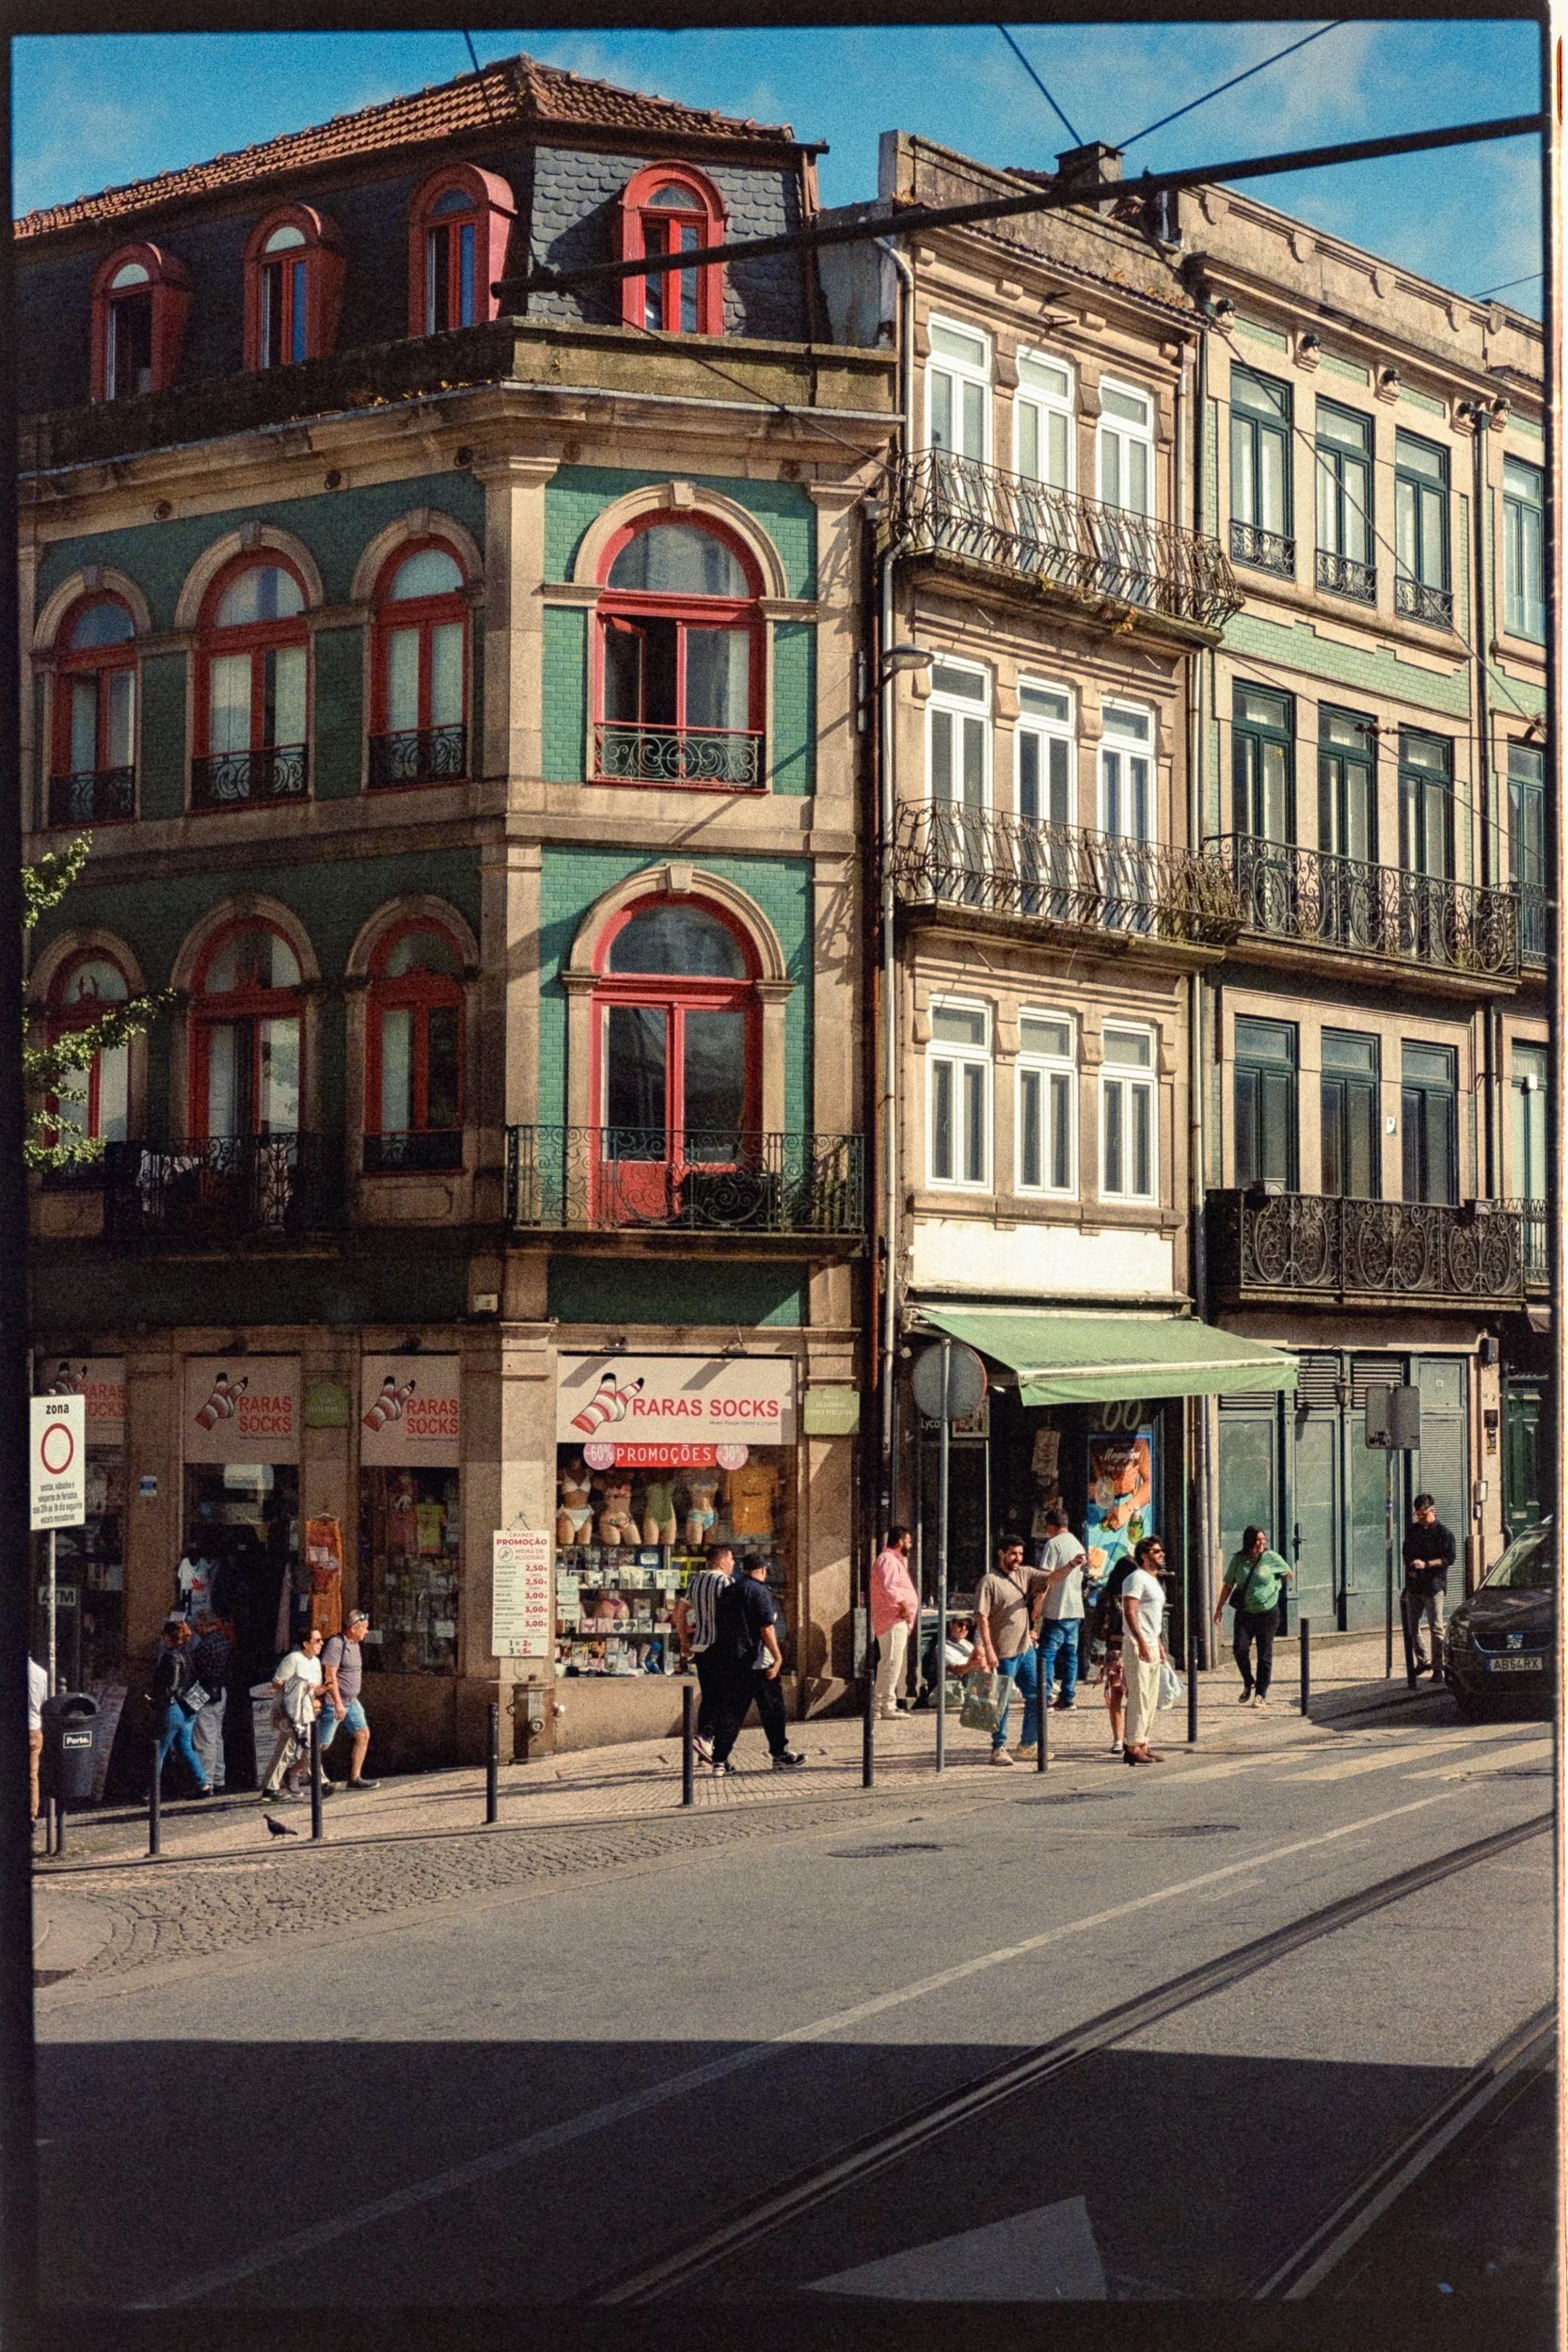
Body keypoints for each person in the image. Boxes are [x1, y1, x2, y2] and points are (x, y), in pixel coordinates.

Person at [707, 1554, 805, 1775]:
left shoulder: (729, 1590)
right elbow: (766, 1629)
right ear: (762, 1570)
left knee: (732, 1712)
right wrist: (778, 1657)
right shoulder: (760, 1592)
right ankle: (780, 1755)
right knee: (773, 1710)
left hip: (733, 1660)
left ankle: (719, 1760)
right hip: (759, 1662)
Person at [971, 1537, 1051, 1766]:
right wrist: (988, 1650)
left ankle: (1027, 1744)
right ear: (1001, 1553)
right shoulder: (989, 1581)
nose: (1017, 1559)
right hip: (1002, 1652)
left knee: (1040, 1694)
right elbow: (981, 1618)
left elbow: (1051, 1578)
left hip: (1025, 1649)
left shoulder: (1024, 1574)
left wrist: (1072, 1566)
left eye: (1020, 1554)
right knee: (1000, 1700)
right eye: (1013, 1554)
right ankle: (998, 1748)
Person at [1215, 1525, 1293, 1708]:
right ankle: (1249, 1680)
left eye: (1263, 1540)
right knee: (1240, 1649)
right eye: (1258, 1540)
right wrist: (1219, 1608)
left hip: (1268, 1613)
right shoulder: (1238, 1560)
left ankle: (1261, 1693)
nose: (1261, 1544)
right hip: (1245, 1613)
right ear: (1249, 1541)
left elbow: (1287, 1574)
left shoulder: (1271, 1558)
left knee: (1264, 1653)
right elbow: (1228, 1585)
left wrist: (1274, 1588)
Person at [673, 1542, 736, 1764]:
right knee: (723, 1697)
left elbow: (679, 1613)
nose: (733, 1563)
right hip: (722, 1647)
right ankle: (706, 1737)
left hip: (701, 1647)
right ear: (721, 1561)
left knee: (709, 1693)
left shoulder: (696, 1581)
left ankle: (704, 1745)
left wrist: (684, 1641)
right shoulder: (726, 1582)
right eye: (730, 1559)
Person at [150, 1616, 214, 1800]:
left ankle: (151, 1792)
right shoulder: (187, 1653)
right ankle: (203, 1784)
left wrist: (159, 1700)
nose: (162, 1639)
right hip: (189, 1706)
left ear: (169, 1638)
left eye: (163, 1636)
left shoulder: (171, 1657)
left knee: (159, 1749)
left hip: (174, 1707)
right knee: (185, 1746)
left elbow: (172, 1685)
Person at [260, 1625, 325, 1801]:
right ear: (305, 1643)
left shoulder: (316, 1662)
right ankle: (321, 1783)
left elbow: (316, 1690)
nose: (321, 1643)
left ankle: (270, 1788)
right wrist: (298, 1686)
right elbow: (277, 1683)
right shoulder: (293, 1659)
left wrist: (321, 1689)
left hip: (307, 1711)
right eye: (317, 1640)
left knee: (299, 1747)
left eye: (321, 1640)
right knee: (297, 1747)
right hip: (290, 1711)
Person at [1034, 1507, 1090, 1711]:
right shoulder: (1078, 1544)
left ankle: (1046, 1696)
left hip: (1057, 1608)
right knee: (1070, 1655)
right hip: (1075, 1607)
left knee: (1046, 1654)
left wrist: (1038, 1605)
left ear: (1051, 1526)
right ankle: (1068, 1697)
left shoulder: (1053, 1544)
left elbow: (1045, 1578)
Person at [1120, 1535, 1170, 1766]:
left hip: (1151, 1641)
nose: (1162, 1555)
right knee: (1139, 1695)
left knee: (1150, 1697)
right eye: (1157, 1551)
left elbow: (1153, 1617)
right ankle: (1132, 1745)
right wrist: (1139, 1640)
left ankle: (1144, 1742)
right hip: (1136, 1642)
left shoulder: (1154, 1580)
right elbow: (1130, 1611)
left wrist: (1158, 1644)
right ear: (1144, 1555)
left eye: (1161, 1551)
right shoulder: (1136, 1578)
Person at [320, 1610, 378, 1789]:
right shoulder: (336, 1644)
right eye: (365, 1628)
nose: (367, 1632)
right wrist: (337, 1702)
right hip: (335, 1701)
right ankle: (294, 1772)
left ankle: (355, 1778)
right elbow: (330, 1675)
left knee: (363, 1734)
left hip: (351, 1700)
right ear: (354, 1628)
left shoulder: (354, 1644)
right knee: (322, 1744)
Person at [869, 1524, 920, 1720]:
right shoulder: (888, 1560)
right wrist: (904, 1605)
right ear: (899, 1541)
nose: (911, 1545)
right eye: (908, 1541)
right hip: (892, 1618)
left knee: (890, 1662)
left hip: (896, 1619)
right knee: (891, 1662)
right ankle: (885, 1705)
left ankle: (880, 1705)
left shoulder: (894, 1560)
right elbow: (889, 1587)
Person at [1402, 1493, 1457, 1674]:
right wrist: (1409, 1566)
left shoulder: (1444, 1533)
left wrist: (1426, 1564)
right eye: (1417, 1515)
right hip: (1415, 1586)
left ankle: (1438, 1668)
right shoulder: (1413, 1530)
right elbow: (1406, 1551)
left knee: (1436, 1628)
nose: (1420, 1518)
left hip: (1434, 1586)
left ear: (1432, 1511)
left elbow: (1449, 1558)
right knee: (1412, 1626)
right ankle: (1423, 1660)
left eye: (1423, 1515)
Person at [188, 1611, 234, 1794]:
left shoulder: (204, 1647)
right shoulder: (224, 1642)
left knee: (204, 1737)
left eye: (197, 1626)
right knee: (216, 1736)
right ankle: (218, 1777)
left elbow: (195, 1672)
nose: (196, 1630)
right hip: (220, 1690)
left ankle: (206, 1781)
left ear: (202, 1626)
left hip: (203, 1691)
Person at [27, 1656, 47, 1831]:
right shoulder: (41, 1674)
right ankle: (31, 1815)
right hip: (34, 1728)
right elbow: (44, 1704)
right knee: (32, 1774)